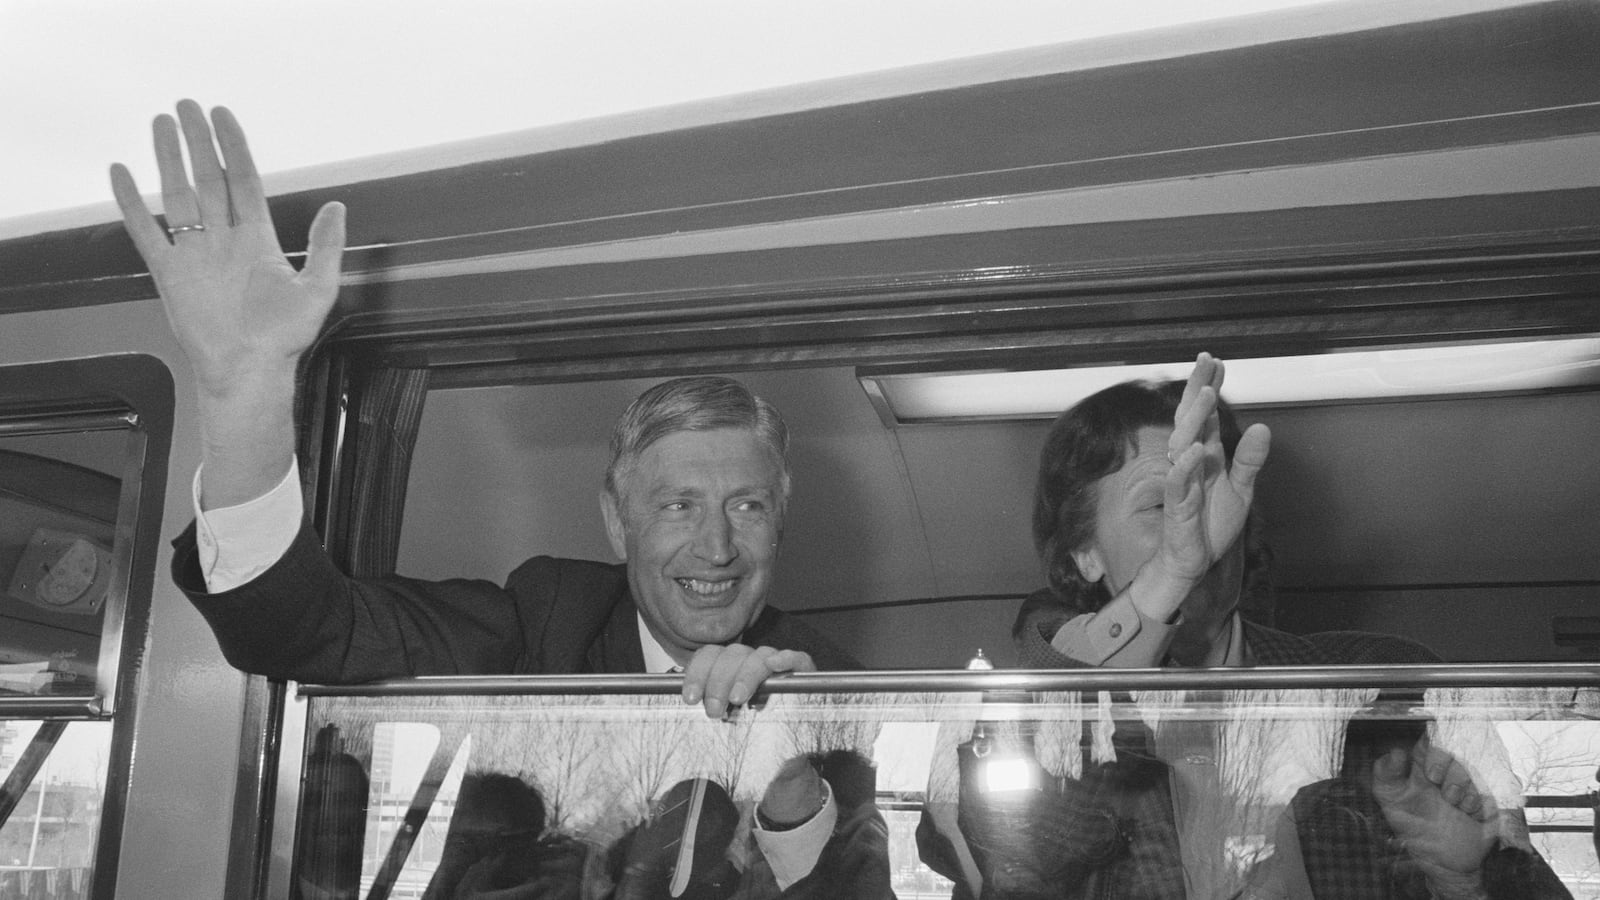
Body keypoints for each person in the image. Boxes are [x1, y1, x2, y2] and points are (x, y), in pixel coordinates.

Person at [110, 101, 889, 897]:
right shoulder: (546, 621)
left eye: (748, 506)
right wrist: (243, 395)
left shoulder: (829, 688)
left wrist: (789, 786)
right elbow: (305, 631)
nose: (717, 548)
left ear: (781, 521)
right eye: (678, 506)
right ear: (617, 523)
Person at [921, 355, 1569, 899]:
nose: (1194, 524)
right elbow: (1016, 868)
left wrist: (1469, 880)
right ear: (1082, 556)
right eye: (1159, 501)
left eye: (1210, 491)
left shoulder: (1385, 693)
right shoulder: (1017, 723)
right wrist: (1166, 582)